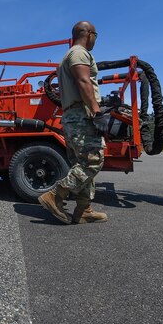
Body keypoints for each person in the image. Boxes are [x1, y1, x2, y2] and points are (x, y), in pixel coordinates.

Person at [38, 21, 109, 224]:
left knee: (81, 163)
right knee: (93, 160)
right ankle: (55, 195)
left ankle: (84, 209)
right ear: (88, 34)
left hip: (72, 115)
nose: (95, 39)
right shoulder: (79, 53)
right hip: (82, 115)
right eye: (96, 34)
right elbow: (83, 81)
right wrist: (96, 111)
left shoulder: (66, 57)